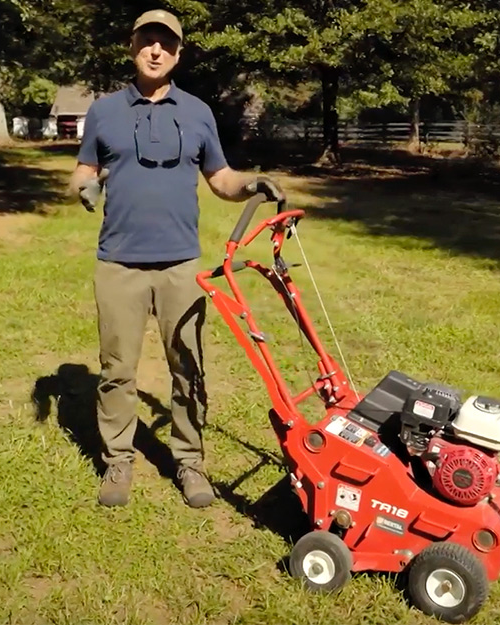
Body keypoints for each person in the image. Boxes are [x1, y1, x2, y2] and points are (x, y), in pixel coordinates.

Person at [68, 9, 285, 509]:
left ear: (178, 53)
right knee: (117, 369)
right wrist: (84, 186)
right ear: (133, 46)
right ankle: (117, 459)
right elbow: (83, 168)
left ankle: (189, 461)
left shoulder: (198, 112)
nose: (156, 50)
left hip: (181, 266)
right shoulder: (104, 111)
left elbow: (221, 179)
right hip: (118, 262)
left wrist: (252, 183)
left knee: (187, 366)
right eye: (147, 41)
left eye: (166, 43)